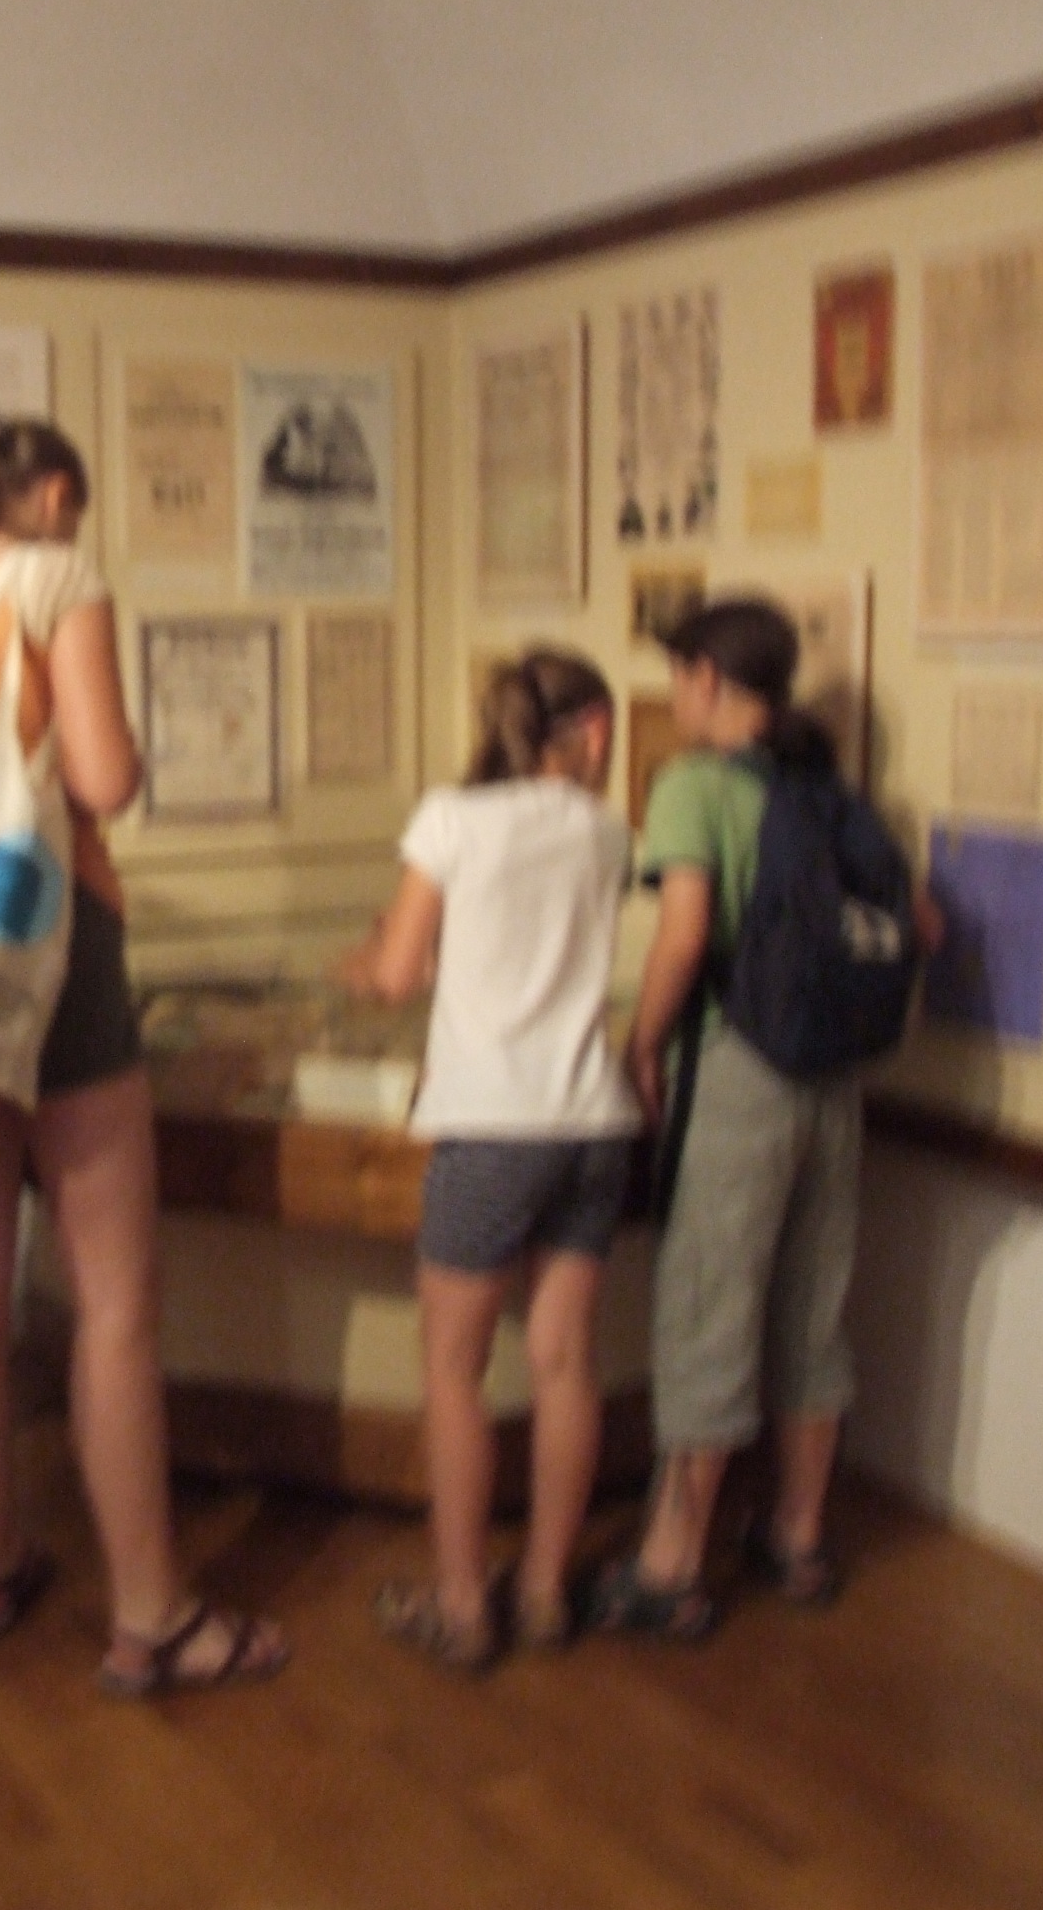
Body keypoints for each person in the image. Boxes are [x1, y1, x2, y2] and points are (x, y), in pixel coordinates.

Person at [0, 408, 287, 1696]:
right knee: (114, 1300)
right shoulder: (53, 578)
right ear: (44, 495)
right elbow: (102, 777)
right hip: (51, 940)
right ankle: (152, 1614)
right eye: (72, 506)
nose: (74, 527)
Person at [344, 647, 641, 1669]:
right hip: (592, 1121)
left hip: (490, 1125)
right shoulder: (609, 831)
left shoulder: (451, 821)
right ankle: (547, 1591)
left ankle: (464, 1603)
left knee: (452, 1370)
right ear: (593, 733)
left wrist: (367, 961)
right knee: (566, 1362)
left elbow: (395, 974)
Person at [608, 597, 867, 1640]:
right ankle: (797, 1537)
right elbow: (920, 920)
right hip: (835, 1080)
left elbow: (683, 936)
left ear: (708, 678)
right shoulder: (826, 786)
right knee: (813, 1306)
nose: (676, 694)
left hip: (737, 1069)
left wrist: (642, 1042)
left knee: (709, 1302)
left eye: (679, 675)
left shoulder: (693, 785)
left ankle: (671, 1564)